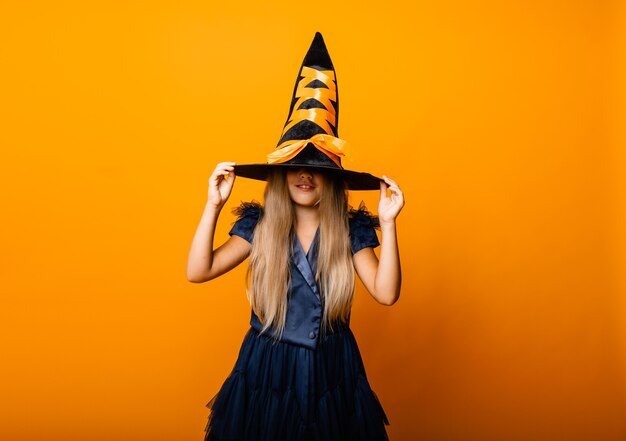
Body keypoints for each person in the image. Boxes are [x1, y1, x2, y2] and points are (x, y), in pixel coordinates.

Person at [186, 32, 404, 441]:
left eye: (317, 167)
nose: (305, 175)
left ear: (333, 180)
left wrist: (388, 224)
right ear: (280, 175)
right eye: (296, 165)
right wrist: (212, 206)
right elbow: (199, 270)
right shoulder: (259, 227)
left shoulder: (351, 230)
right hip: (267, 368)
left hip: (333, 370)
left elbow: (386, 292)